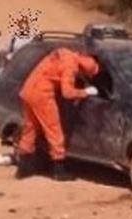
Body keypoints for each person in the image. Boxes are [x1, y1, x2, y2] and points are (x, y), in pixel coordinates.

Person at [14, 47, 100, 181]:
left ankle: (23, 169)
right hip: (42, 95)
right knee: (54, 131)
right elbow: (67, 92)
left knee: (29, 130)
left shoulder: (65, 52)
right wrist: (85, 92)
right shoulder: (71, 66)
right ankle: (59, 170)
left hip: (28, 90)